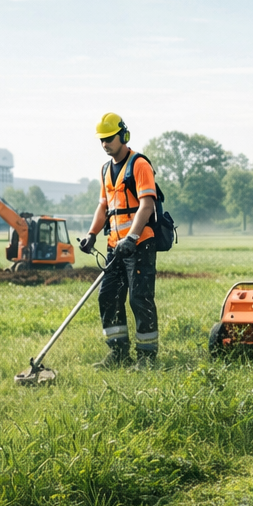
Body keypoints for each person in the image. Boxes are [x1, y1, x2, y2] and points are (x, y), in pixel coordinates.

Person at [78, 112, 160, 367]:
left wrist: (132, 237)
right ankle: (118, 353)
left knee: (139, 298)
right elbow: (103, 207)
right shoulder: (104, 170)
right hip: (115, 246)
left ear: (123, 135)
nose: (105, 144)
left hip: (139, 244)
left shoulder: (139, 164)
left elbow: (146, 205)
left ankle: (146, 356)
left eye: (109, 138)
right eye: (101, 139)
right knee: (109, 296)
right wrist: (92, 235)